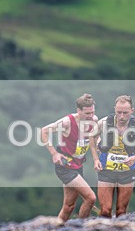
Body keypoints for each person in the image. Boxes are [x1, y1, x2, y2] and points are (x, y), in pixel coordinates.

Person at [40, 94, 101, 222]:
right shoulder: (67, 123)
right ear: (78, 111)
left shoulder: (94, 120)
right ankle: (81, 228)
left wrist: (99, 145)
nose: (90, 116)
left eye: (92, 112)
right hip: (65, 166)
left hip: (78, 165)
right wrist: (54, 153)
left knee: (68, 206)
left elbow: (95, 137)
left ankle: (56, 230)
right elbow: (44, 131)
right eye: (87, 113)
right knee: (91, 198)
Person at [96, 95, 135, 217]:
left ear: (132, 110)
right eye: (118, 112)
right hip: (106, 169)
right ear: (114, 109)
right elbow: (91, 136)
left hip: (127, 172)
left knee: (121, 211)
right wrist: (97, 151)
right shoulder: (104, 122)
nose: (121, 116)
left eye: (125, 113)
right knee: (105, 210)